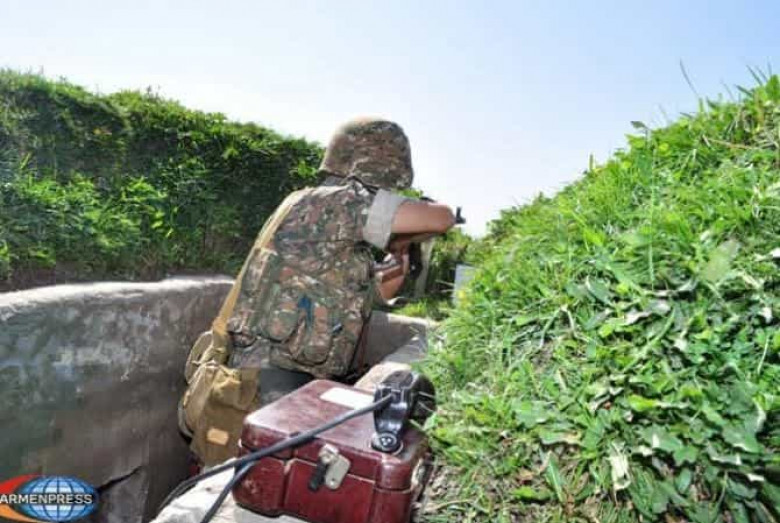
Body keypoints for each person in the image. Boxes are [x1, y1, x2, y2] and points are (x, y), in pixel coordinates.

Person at [179, 117, 455, 465]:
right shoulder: (332, 204)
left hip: (291, 384)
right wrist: (417, 225)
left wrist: (399, 254)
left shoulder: (333, 230)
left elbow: (375, 293)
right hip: (265, 384)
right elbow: (442, 217)